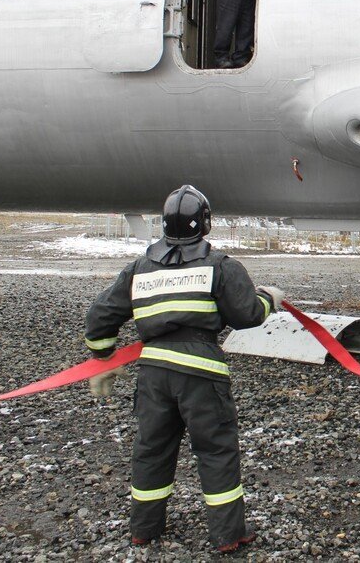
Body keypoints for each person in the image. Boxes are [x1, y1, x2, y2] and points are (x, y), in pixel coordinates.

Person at [83, 185, 283, 553]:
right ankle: (228, 535)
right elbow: (247, 316)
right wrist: (270, 299)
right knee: (216, 450)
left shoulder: (138, 269)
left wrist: (104, 358)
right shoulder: (220, 267)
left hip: (154, 375)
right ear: (204, 223)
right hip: (201, 376)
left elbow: (99, 317)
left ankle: (144, 529)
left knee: (152, 450)